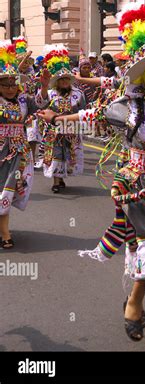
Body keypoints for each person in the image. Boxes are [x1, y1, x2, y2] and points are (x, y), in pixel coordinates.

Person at [39, 3, 145, 342]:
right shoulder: (130, 109)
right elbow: (93, 115)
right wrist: (59, 118)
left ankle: (136, 298)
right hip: (137, 186)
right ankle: (133, 303)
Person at [0, 40, 48, 249]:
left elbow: (40, 104)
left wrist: (44, 88)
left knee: (8, 189)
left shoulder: (23, 100)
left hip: (17, 152)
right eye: (5, 84)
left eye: (13, 84)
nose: (11, 88)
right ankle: (4, 232)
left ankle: (4, 232)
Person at [36, 44, 86, 193]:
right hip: (54, 130)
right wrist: (44, 88)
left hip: (71, 130)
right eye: (61, 79)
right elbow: (40, 103)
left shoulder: (78, 93)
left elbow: (84, 110)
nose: (64, 81)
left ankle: (61, 177)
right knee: (56, 154)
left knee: (68, 155)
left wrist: (84, 126)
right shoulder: (50, 93)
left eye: (66, 79)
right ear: (56, 81)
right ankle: (56, 181)